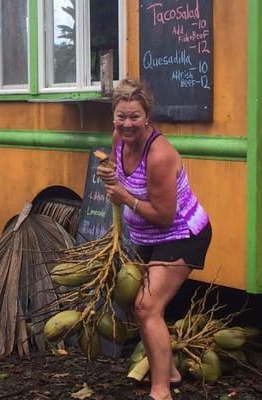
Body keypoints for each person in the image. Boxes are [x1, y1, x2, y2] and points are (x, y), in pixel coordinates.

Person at [97, 78, 211, 400]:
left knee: (147, 306)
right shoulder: (118, 139)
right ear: (114, 117)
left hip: (182, 233)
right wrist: (108, 176)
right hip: (149, 236)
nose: (127, 123)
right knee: (144, 307)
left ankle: (160, 391)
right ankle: (170, 372)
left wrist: (123, 196)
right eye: (121, 116)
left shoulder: (159, 154)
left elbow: (163, 214)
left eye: (135, 116)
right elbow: (119, 178)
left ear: (147, 116)